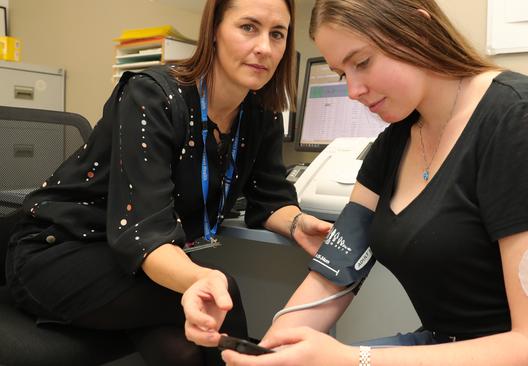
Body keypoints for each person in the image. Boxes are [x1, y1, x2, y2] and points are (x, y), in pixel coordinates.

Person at [215, 0, 528, 365]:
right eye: (342, 72)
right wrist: (270, 348)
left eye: (362, 63)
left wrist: (353, 359)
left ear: (416, 30)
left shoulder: (522, 123)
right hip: (453, 346)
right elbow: (335, 271)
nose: (353, 90)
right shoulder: (393, 145)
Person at [4, 0, 331, 365]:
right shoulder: (152, 95)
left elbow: (269, 197)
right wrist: (199, 278)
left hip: (130, 267)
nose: (264, 48)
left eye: (277, 34)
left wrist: (300, 225)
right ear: (214, 31)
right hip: (59, 252)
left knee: (189, 345)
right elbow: (146, 231)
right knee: (220, 293)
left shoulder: (261, 114)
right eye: (249, 27)